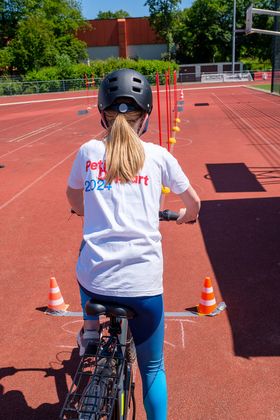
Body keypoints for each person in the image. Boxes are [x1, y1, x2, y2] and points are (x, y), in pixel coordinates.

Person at [66, 68, 200, 420]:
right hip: (142, 287)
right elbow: (195, 203)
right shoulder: (158, 156)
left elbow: (73, 197)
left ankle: (91, 331)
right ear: (146, 116)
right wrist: (185, 215)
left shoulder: (88, 151)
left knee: (86, 256)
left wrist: (84, 211)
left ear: (101, 112)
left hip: (97, 282)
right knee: (153, 368)